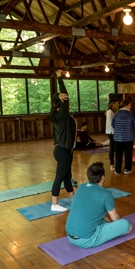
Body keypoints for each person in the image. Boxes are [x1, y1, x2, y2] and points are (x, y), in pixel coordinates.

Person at [64, 162, 133, 249]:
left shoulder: (81, 187)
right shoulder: (106, 194)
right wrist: (121, 227)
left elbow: (96, 212)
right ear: (103, 177)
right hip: (86, 239)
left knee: (100, 220)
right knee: (125, 224)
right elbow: (114, 218)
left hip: (70, 236)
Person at [49, 78, 77, 212]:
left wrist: (55, 96)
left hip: (62, 150)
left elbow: (56, 101)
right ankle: (54, 204)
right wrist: (59, 79)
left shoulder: (54, 115)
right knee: (59, 177)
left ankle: (73, 198)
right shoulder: (63, 116)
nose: (68, 104)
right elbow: (65, 96)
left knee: (67, 176)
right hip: (64, 150)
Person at [111, 100, 135, 175]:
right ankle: (127, 169)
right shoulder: (130, 114)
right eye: (129, 105)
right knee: (128, 154)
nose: (130, 106)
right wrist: (130, 129)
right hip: (128, 138)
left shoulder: (116, 113)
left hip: (118, 138)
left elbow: (113, 124)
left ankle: (117, 170)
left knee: (118, 154)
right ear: (126, 105)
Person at [105, 99, 118, 170]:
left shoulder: (114, 112)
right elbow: (110, 122)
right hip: (111, 132)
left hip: (114, 132)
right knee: (112, 148)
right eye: (116, 104)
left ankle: (114, 163)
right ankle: (111, 164)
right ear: (112, 104)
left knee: (114, 148)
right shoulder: (110, 112)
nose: (117, 105)